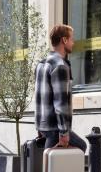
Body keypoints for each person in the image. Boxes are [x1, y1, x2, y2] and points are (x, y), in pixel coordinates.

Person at [34, 24, 87, 152]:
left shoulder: (41, 64)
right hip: (55, 128)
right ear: (64, 40)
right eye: (71, 39)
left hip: (44, 127)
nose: (73, 43)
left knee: (51, 164)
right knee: (81, 147)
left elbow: (38, 97)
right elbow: (61, 103)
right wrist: (64, 133)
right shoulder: (60, 66)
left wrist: (40, 128)